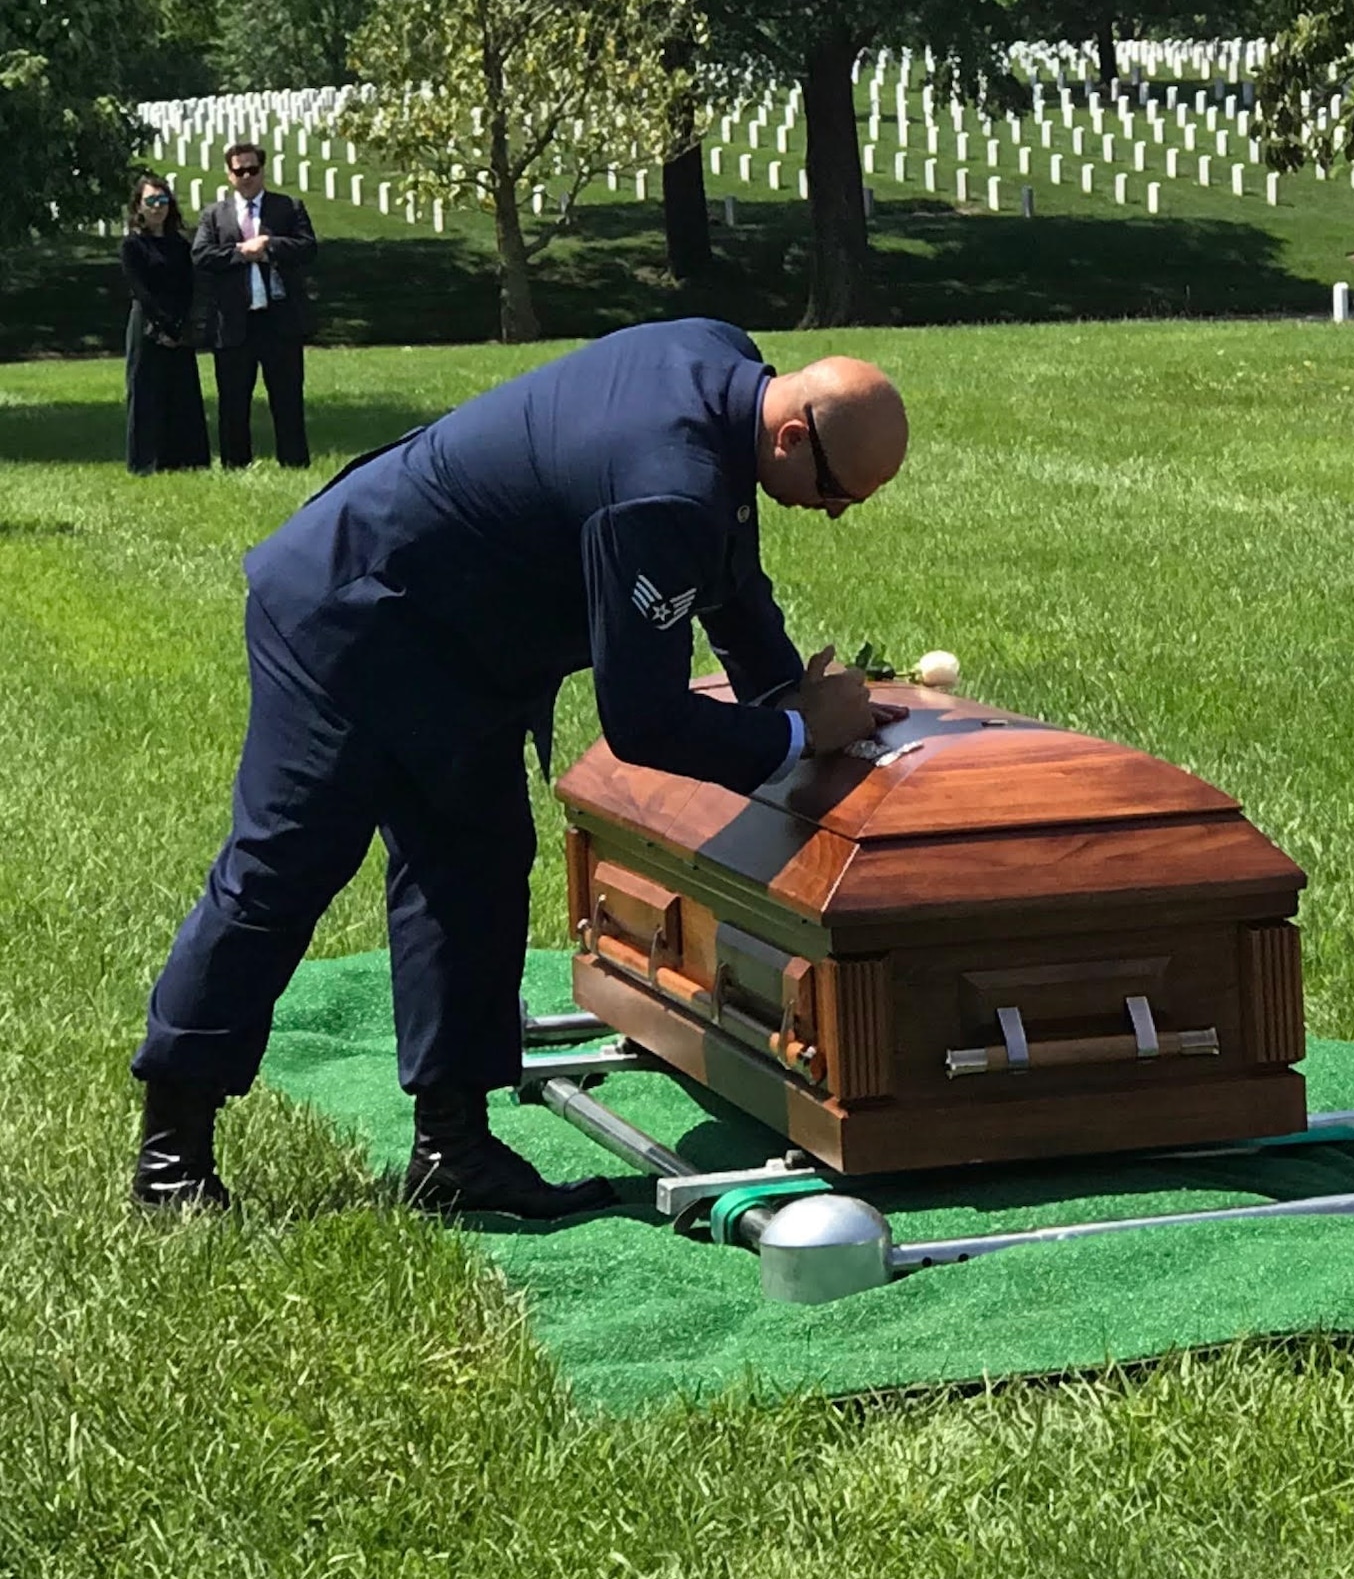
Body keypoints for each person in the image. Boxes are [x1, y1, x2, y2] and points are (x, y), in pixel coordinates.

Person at [130, 318, 909, 1219]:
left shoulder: (718, 358)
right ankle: (169, 1160)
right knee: (279, 877)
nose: (838, 512)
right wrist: (796, 735)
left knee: (475, 871)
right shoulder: (667, 484)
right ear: (789, 435)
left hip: (461, 648)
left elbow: (724, 561)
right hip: (350, 621)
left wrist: (781, 689)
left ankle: (452, 1152)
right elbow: (645, 722)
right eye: (834, 490)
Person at [192, 142, 317, 468]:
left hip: (279, 319)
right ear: (229, 174)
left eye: (252, 169)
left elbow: (307, 248)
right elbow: (201, 255)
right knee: (233, 401)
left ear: (263, 170)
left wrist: (270, 245)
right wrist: (240, 253)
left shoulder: (288, 207)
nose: (246, 176)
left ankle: (294, 462)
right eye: (239, 170)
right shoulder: (214, 215)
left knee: (287, 397)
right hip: (234, 321)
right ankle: (236, 464)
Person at [120, 176, 210, 475]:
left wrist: (181, 325)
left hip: (179, 324)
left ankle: (186, 458)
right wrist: (163, 325)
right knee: (146, 392)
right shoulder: (133, 245)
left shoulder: (179, 245)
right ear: (139, 207)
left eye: (162, 201)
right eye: (151, 202)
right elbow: (140, 290)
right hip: (147, 325)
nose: (157, 208)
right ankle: (146, 461)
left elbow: (189, 286)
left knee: (181, 392)